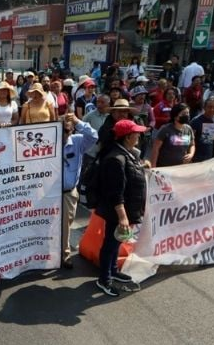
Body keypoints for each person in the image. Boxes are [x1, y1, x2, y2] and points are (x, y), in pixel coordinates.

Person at [94, 119, 147, 297]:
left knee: (117, 241)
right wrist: (123, 217)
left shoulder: (127, 154)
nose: (139, 135)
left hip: (127, 209)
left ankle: (113, 270)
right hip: (117, 212)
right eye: (136, 132)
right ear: (127, 137)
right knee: (110, 244)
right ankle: (104, 279)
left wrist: (142, 165)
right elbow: (115, 192)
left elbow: (130, 175)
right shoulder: (115, 159)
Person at [61, 112, 98, 269]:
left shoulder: (77, 142)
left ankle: (65, 255)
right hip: (48, 194)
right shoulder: (46, 143)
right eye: (61, 129)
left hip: (68, 193)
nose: (64, 133)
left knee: (65, 226)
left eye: (68, 130)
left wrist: (77, 121)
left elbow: (94, 136)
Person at [149, 103, 195, 167]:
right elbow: (156, 148)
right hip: (165, 167)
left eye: (188, 113)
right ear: (175, 116)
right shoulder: (165, 129)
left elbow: (192, 145)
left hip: (181, 167)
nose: (187, 115)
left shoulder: (188, 129)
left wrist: (191, 154)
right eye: (184, 114)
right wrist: (153, 166)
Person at [189, 95, 214, 162]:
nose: (212, 109)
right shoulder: (195, 121)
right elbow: (190, 139)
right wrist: (190, 155)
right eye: (209, 107)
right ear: (204, 107)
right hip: (196, 155)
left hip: (209, 155)